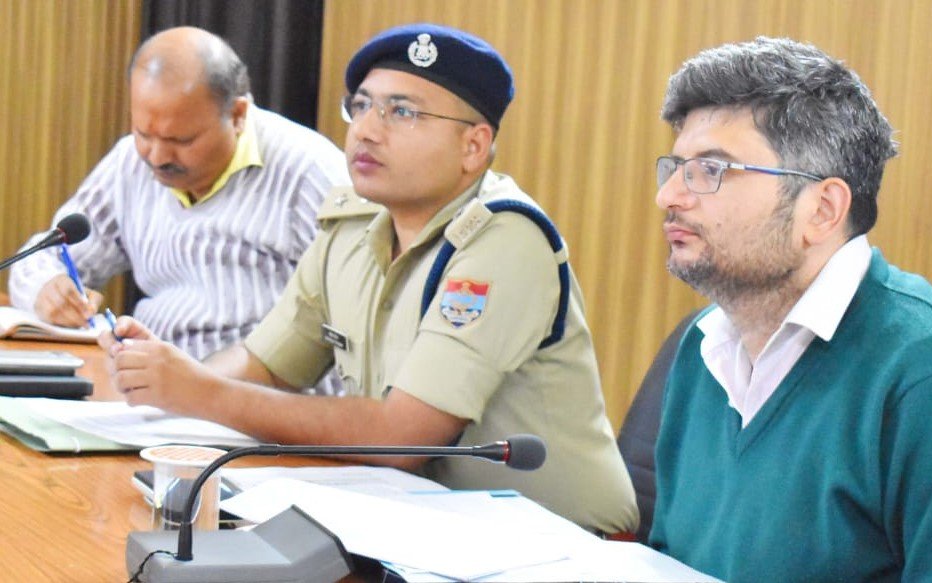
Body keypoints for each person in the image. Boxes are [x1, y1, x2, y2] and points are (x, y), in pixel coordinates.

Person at [100, 23, 638, 535]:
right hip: (420, 522)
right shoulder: (353, 226)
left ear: (473, 147)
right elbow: (268, 366)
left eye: (402, 112)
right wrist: (167, 376)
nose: (365, 130)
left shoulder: (504, 239)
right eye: (360, 106)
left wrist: (201, 392)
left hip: (554, 542)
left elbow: (404, 435)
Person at [648, 37, 932, 580]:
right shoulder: (702, 345)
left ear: (822, 209)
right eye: (676, 166)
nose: (669, 195)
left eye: (711, 168)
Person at [8, 26, 350, 360]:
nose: (157, 157)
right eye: (143, 133)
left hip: (256, 388)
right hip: (146, 376)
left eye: (181, 140)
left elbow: (354, 320)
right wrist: (47, 288)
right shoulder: (130, 163)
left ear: (237, 115)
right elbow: (44, 256)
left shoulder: (309, 173)